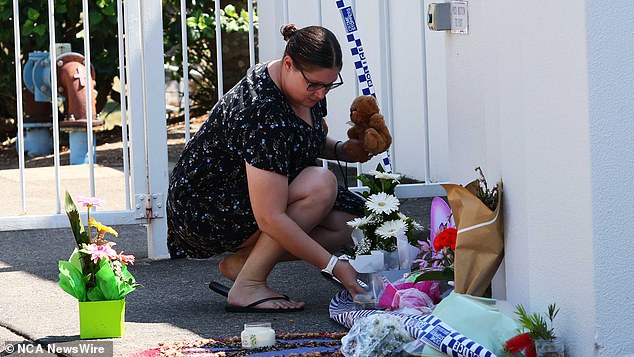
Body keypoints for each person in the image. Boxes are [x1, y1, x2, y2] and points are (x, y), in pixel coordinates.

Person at [167, 24, 370, 312]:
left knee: (347, 222)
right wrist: (335, 266)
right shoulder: (262, 110)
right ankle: (249, 285)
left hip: (244, 192)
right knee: (321, 184)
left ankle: (243, 264)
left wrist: (343, 150)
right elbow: (270, 218)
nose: (321, 94)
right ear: (289, 64)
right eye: (315, 85)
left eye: (329, 85)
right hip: (206, 205)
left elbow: (298, 136)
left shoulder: (300, 87)